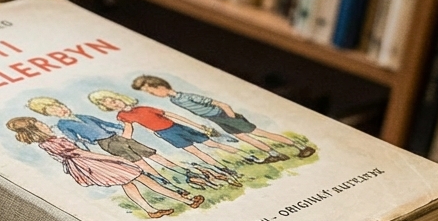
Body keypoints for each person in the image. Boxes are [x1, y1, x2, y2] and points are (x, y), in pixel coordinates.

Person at [5, 116, 203, 218]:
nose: (45, 125)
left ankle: (151, 209)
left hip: (89, 165)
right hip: (95, 164)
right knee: (141, 177)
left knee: (131, 183)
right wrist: (118, 160)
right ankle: (184, 200)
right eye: (40, 124)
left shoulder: (46, 143)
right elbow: (82, 153)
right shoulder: (53, 142)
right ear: (35, 129)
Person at [26, 96, 218, 191]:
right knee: (139, 162)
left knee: (152, 154)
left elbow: (105, 123)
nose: (60, 110)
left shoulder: (82, 115)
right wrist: (85, 144)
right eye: (55, 110)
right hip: (106, 144)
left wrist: (121, 127)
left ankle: (184, 172)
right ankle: (163, 180)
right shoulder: (63, 124)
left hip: (117, 137)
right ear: (49, 114)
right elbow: (76, 140)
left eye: (60, 106)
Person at [132, 75, 315, 162]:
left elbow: (220, 104)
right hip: (219, 120)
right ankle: (274, 154)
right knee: (245, 138)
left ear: (160, 86)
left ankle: (300, 147)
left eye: (151, 90)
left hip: (224, 116)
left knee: (260, 133)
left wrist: (231, 117)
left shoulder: (184, 96)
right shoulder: (174, 99)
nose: (153, 94)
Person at [88, 90, 243, 184]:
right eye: (109, 104)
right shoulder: (122, 115)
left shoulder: (144, 108)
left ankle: (243, 157)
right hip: (167, 133)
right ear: (107, 107)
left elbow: (171, 115)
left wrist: (197, 126)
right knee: (196, 152)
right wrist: (121, 143)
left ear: (120, 97)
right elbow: (128, 130)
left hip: (177, 126)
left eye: (114, 100)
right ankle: (225, 170)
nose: (114, 104)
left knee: (212, 144)